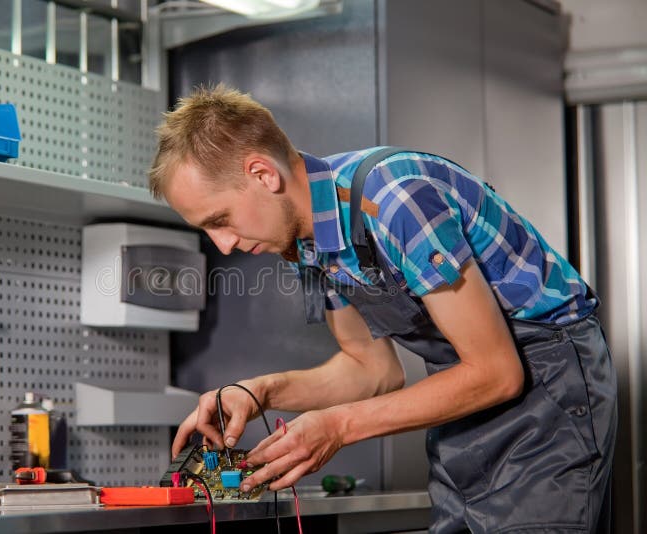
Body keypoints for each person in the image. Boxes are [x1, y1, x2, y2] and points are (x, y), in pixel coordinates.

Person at [149, 85, 616, 533]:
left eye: (220, 220)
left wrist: (338, 425)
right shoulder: (306, 245)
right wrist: (260, 393)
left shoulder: (394, 200)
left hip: (546, 385)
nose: (223, 245)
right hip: (463, 392)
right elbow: (372, 370)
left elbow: (498, 373)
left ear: (262, 174)